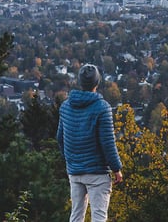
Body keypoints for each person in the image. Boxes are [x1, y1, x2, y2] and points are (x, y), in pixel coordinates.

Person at [57, 64, 123, 222]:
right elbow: (108, 143)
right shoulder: (102, 108)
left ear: (80, 82)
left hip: (75, 171)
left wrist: (70, 160)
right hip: (97, 172)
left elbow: (60, 138)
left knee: (76, 216)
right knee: (99, 217)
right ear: (97, 82)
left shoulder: (66, 106)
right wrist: (116, 168)